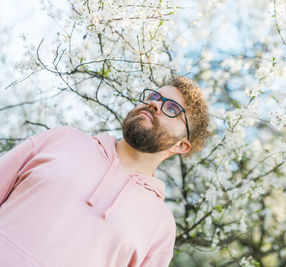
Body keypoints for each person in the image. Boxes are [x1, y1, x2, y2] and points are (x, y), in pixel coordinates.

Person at [0, 76, 210, 267]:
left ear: (181, 146)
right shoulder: (62, 139)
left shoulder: (161, 226)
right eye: (154, 96)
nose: (154, 103)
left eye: (172, 109)